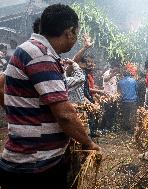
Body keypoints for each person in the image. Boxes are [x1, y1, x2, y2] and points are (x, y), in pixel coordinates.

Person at [0, 4, 100, 189]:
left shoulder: (28, 49)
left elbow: (1, 84)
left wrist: (21, 116)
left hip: (26, 159)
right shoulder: (41, 55)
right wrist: (89, 143)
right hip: (35, 165)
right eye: (76, 33)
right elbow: (65, 115)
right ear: (69, 32)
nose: (75, 38)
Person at [117, 67, 138, 134]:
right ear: (129, 74)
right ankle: (132, 130)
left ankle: (126, 128)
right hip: (133, 101)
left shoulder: (120, 82)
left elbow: (119, 91)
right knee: (132, 116)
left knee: (126, 115)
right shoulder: (134, 81)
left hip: (125, 101)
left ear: (123, 75)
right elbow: (136, 89)